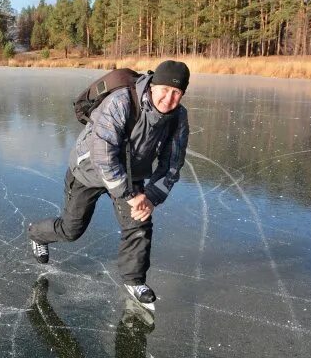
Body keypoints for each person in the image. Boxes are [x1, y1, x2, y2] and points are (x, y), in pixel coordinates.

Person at [28, 60, 190, 306]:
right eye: (164, 90)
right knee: (72, 230)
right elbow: (103, 154)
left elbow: (173, 163)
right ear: (152, 86)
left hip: (132, 172)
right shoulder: (122, 101)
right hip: (89, 171)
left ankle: (134, 280)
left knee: (139, 223)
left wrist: (151, 197)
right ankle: (37, 234)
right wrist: (129, 195)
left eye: (176, 92)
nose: (168, 98)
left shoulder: (178, 118)